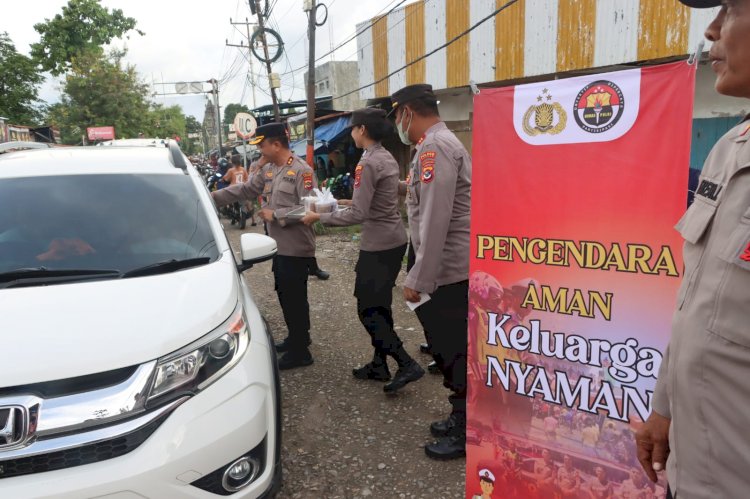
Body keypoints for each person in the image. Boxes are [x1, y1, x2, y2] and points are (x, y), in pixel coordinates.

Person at [636, 2, 750, 498]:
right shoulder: (731, 148)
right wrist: (664, 408)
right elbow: (697, 304)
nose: (711, 28)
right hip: (691, 470)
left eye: (734, 7)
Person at [302, 108, 424, 393]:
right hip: (393, 240)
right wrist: (347, 203)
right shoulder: (386, 156)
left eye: (353, 128)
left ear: (363, 130)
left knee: (367, 309)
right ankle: (379, 365)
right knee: (379, 305)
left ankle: (405, 363)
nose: (352, 133)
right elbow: (376, 199)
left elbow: (359, 215)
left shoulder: (367, 162)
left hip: (378, 245)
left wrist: (319, 217)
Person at [391, 83, 472, 459]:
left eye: (396, 115)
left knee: (452, 348)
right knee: (445, 346)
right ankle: (461, 415)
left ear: (407, 111)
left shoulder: (436, 147)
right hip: (440, 263)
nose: (396, 123)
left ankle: (467, 430)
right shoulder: (432, 145)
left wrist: (419, 278)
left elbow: (436, 218)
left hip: (445, 269)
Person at [211, 122, 317, 370]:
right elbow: (246, 189)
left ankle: (302, 351)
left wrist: (276, 214)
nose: (259, 151)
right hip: (278, 246)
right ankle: (296, 338)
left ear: (277, 144)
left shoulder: (302, 171)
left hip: (296, 246)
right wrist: (213, 197)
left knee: (295, 298)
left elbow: (311, 208)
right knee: (284, 293)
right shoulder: (269, 169)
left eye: (262, 145)